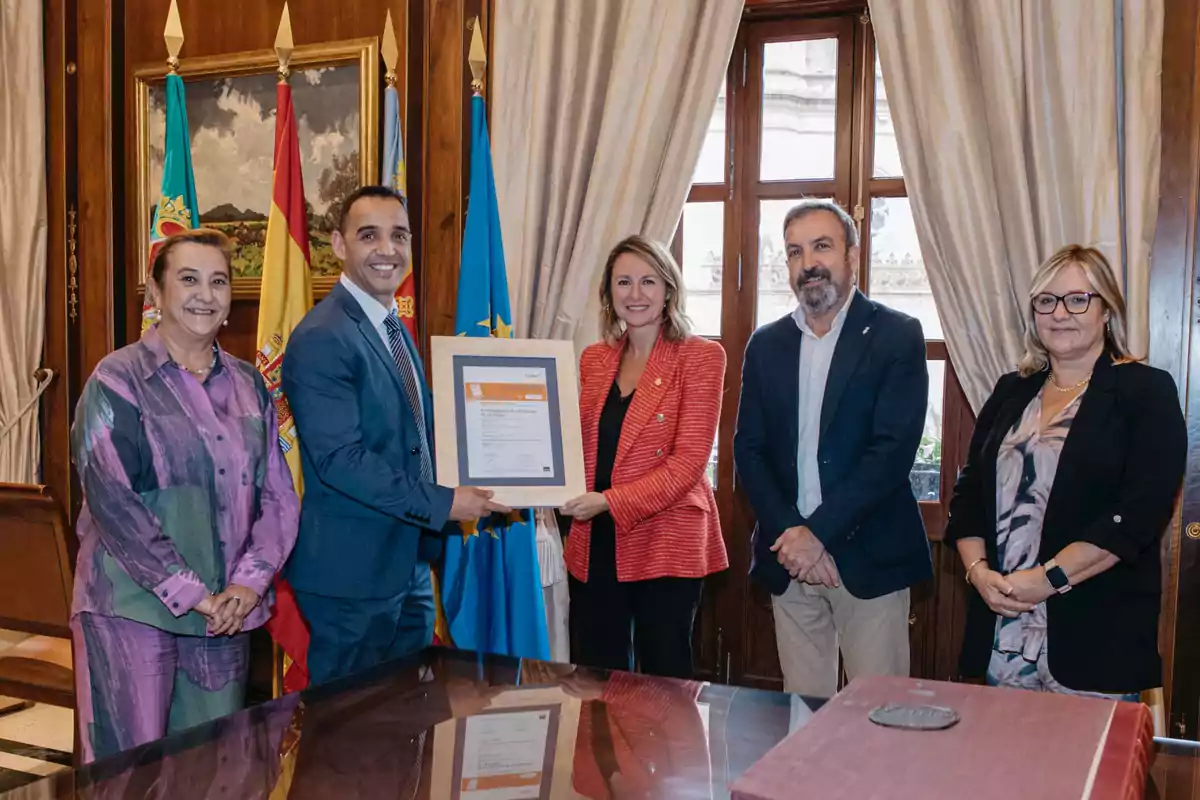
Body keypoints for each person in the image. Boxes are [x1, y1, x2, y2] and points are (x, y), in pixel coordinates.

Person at [69, 228, 299, 764]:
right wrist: (195, 593)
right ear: (155, 292)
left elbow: (280, 499)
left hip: (224, 618)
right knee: (129, 775)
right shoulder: (117, 381)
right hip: (131, 612)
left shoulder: (249, 385)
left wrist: (247, 584)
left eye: (218, 281)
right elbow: (114, 504)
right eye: (188, 279)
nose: (206, 294)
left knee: (215, 770)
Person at [281, 185, 506, 686]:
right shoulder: (323, 336)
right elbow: (341, 460)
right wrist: (443, 502)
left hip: (405, 563)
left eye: (399, 236)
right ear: (339, 245)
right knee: (347, 735)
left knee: (403, 724)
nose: (387, 250)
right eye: (369, 236)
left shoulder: (390, 326)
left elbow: (413, 438)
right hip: (350, 577)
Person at [947, 245, 1185, 698]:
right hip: (1005, 629)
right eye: (1046, 300)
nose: (1060, 313)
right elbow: (970, 494)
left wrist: (1047, 580)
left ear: (1106, 310)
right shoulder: (1010, 390)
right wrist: (978, 572)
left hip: (1095, 638)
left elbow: (1136, 516)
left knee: (1087, 768)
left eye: (1078, 299)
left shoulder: (1145, 391)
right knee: (1004, 766)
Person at [733, 198, 930, 698]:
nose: (808, 263)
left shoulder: (896, 335)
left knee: (879, 719)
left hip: (869, 557)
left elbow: (890, 453)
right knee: (803, 720)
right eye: (795, 252)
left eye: (822, 246)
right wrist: (793, 537)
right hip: (789, 560)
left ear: (853, 255)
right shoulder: (766, 344)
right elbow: (749, 451)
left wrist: (815, 535)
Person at [562, 235, 727, 680]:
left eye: (648, 282)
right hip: (597, 539)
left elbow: (688, 462)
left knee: (663, 685)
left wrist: (610, 502)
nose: (635, 295)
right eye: (624, 282)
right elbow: (576, 445)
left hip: (666, 539)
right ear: (608, 294)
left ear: (669, 289)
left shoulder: (701, 356)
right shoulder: (594, 359)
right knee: (596, 678)